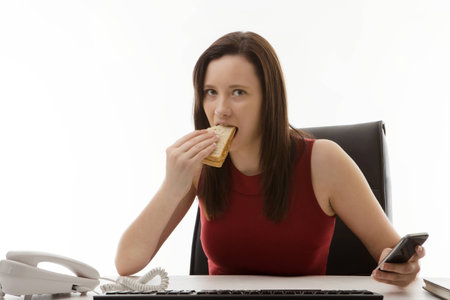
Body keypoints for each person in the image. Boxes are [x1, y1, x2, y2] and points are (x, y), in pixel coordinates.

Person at [115, 31, 425, 287]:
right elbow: (127, 263)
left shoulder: (324, 161)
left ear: (269, 100)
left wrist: (402, 267)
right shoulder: (200, 166)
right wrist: (173, 185)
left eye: (238, 92)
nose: (220, 109)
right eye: (210, 92)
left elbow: (390, 252)